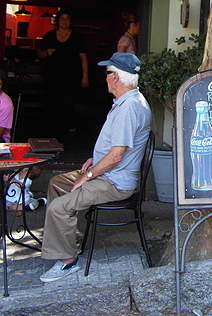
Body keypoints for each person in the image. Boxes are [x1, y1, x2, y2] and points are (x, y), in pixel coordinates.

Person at [39, 52, 151, 283]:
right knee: (57, 184)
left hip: (114, 182)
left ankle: (67, 262)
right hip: (107, 173)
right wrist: (94, 161)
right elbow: (113, 150)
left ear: (116, 78)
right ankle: (69, 241)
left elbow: (117, 155)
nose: (105, 77)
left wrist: (89, 174)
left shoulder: (129, 107)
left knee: (59, 207)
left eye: (107, 72)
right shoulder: (128, 101)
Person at [37, 9, 89, 139]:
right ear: (57, 21)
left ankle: (68, 131)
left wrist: (85, 77)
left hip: (71, 77)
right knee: (51, 103)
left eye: (67, 19)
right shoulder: (49, 35)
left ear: (71, 22)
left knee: (68, 103)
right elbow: (38, 54)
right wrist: (47, 52)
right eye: (62, 18)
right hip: (52, 76)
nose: (65, 21)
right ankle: (51, 132)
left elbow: (84, 58)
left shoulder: (77, 37)